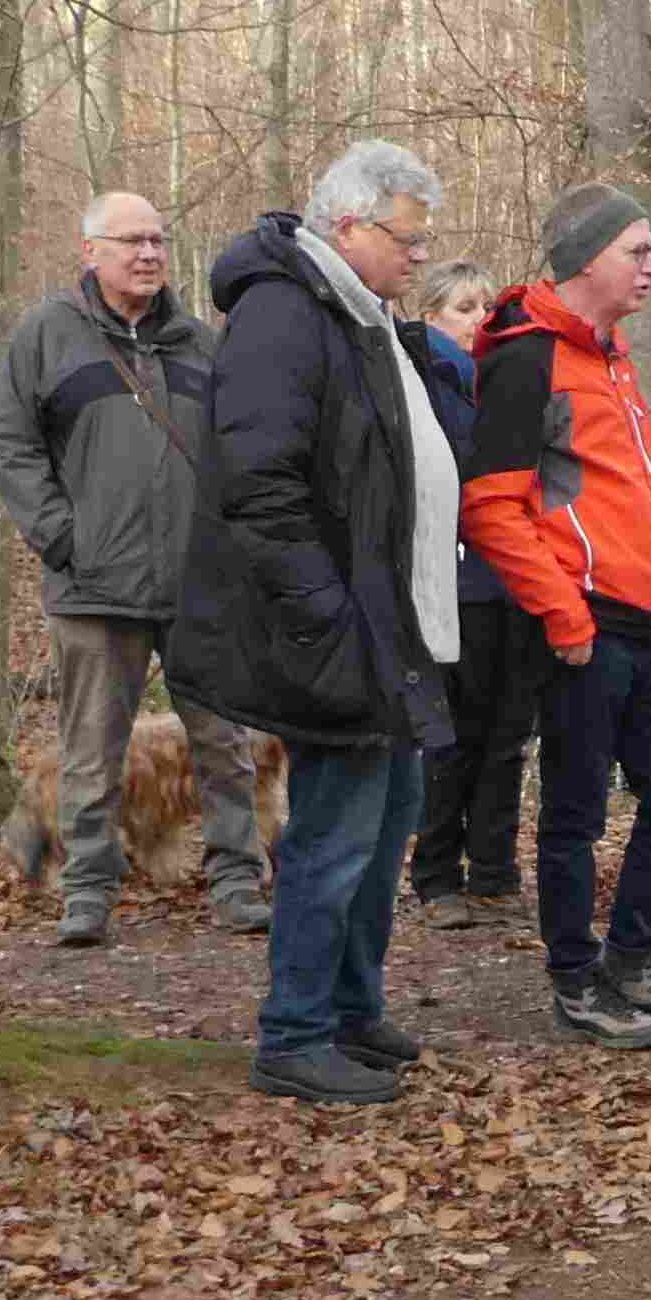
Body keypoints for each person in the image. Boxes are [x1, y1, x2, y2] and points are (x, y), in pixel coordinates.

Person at [164, 140, 463, 1103]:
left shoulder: (357, 311)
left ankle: (349, 1010)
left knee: (388, 825)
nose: (420, 257)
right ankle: (294, 1033)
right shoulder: (285, 314)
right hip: (336, 626)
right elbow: (261, 484)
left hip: (389, 622)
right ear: (348, 225)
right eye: (407, 238)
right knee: (335, 832)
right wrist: (323, 611)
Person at [466, 185, 651, 1049]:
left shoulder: (612, 354)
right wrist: (563, 616)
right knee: (577, 814)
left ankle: (634, 958)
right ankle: (575, 981)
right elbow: (492, 508)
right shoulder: (524, 358)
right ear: (588, 259)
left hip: (644, 621)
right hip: (580, 627)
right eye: (638, 251)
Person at [0, 189, 267, 945]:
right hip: (92, 586)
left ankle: (238, 881)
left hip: (197, 586)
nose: (148, 255)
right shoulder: (46, 337)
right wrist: (62, 537)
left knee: (223, 745)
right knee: (91, 751)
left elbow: (241, 452)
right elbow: (11, 447)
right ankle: (87, 892)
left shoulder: (201, 344)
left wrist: (230, 550)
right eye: (130, 241)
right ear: (90, 252)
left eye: (157, 241)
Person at [400, 263, 537, 923]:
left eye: (486, 305)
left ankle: (494, 868)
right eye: (462, 307)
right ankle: (436, 876)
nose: (480, 317)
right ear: (431, 316)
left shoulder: (507, 381)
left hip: (517, 579)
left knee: (508, 733)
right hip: (451, 581)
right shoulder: (416, 383)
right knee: (450, 736)